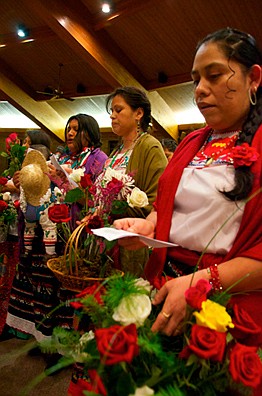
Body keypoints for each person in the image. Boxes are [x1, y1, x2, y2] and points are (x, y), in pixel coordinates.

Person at [114, 27, 262, 364]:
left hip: (226, 304)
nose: (199, 90)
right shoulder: (192, 141)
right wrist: (148, 227)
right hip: (165, 289)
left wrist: (204, 281)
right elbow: (169, 209)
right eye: (196, 79)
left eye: (214, 75)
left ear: (253, 78)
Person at [99, 86, 167, 275]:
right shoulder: (116, 152)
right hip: (109, 238)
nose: (112, 116)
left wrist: (120, 210)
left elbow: (158, 199)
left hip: (133, 241)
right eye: (111, 111)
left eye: (118, 110)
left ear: (138, 113)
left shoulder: (149, 147)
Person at [49, 113, 108, 229]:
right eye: (69, 129)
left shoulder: (99, 159)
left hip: (80, 224)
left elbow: (95, 200)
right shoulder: (64, 157)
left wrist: (66, 180)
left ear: (89, 134)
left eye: (76, 129)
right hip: (55, 224)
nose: (70, 133)